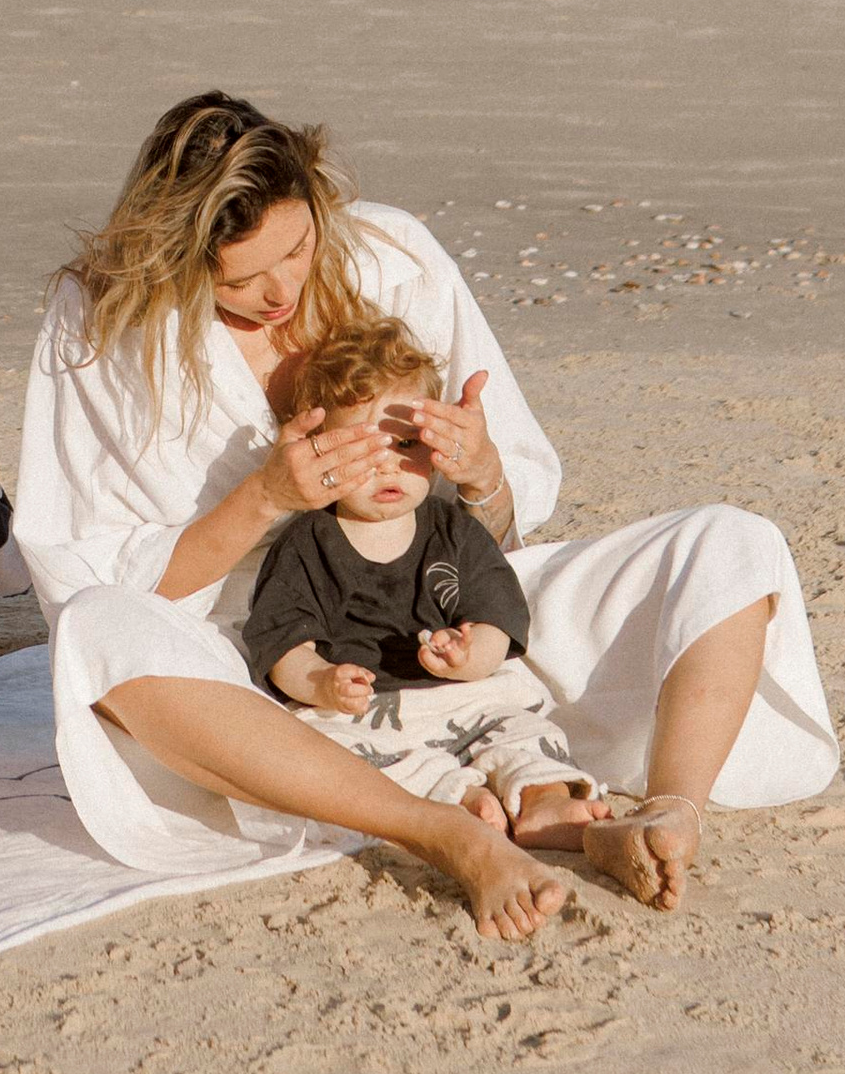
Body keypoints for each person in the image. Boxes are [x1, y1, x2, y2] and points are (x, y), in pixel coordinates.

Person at [13, 91, 839, 943]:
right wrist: (264, 498)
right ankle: (441, 831)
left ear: (319, 205)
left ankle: (670, 812)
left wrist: (480, 471)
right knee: (97, 631)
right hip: (259, 664)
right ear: (176, 257)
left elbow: (503, 536)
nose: (278, 291)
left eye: (296, 249)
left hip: (452, 615)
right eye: (238, 279)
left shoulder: (392, 256)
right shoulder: (102, 328)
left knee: (731, 542)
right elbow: (97, 578)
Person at [240, 311, 604, 846]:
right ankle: (459, 800)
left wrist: (470, 652)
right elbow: (281, 645)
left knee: (526, 728)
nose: (389, 467)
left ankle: (544, 800)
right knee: (342, 757)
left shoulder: (453, 530)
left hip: (466, 698)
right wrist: (321, 681)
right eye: (364, 451)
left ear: (433, 448)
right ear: (320, 450)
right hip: (367, 713)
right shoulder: (306, 544)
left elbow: (497, 618)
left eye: (406, 447)